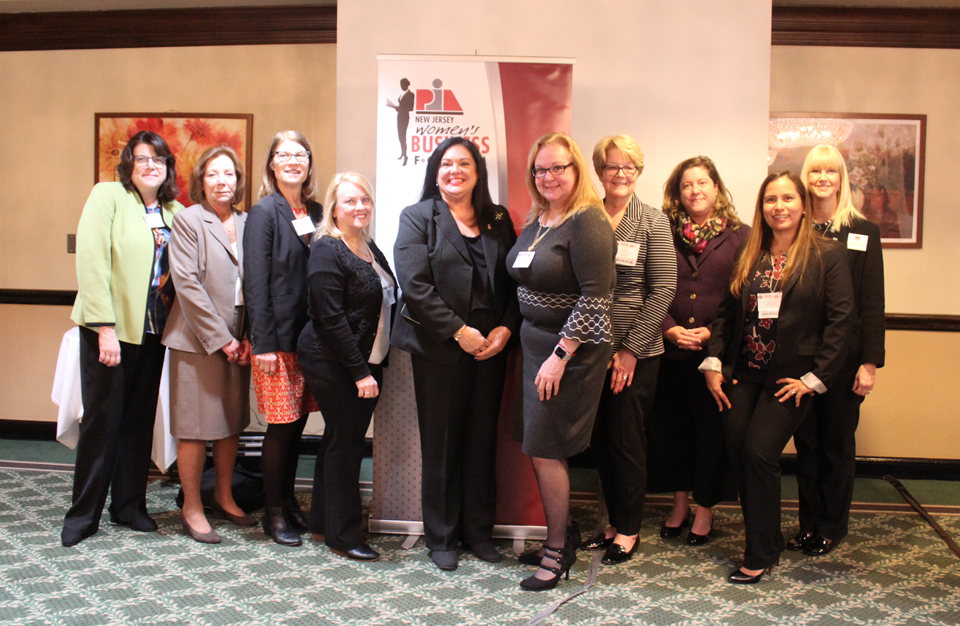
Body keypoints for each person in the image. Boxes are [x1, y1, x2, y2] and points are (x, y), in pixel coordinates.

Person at [701, 170, 854, 584]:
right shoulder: (751, 252)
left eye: (788, 198)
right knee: (740, 454)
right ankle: (767, 538)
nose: (779, 207)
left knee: (759, 452)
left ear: (803, 205)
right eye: (771, 200)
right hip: (744, 374)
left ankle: (760, 552)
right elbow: (726, 315)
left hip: (792, 379)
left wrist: (814, 379)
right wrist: (714, 364)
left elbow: (841, 323)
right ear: (762, 206)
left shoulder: (827, 254)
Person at [392, 137, 520, 571]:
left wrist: (505, 327)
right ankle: (442, 536)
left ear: (478, 171)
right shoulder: (417, 217)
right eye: (447, 163)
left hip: (493, 349)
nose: (455, 171)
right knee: (443, 445)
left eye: (464, 163)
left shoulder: (498, 218)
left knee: (483, 443)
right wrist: (459, 332)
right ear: (435, 170)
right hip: (440, 350)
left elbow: (516, 280)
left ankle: (479, 533)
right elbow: (414, 285)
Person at [62, 131, 184, 547]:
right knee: (102, 422)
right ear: (129, 164)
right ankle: (83, 514)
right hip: (110, 330)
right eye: (142, 158)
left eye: (159, 159)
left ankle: (129, 506)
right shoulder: (107, 196)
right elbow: (93, 260)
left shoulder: (174, 210)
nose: (151, 166)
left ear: (168, 167)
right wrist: (104, 328)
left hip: (153, 330)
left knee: (138, 423)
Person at [506, 132, 616, 590]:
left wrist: (559, 355)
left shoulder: (587, 220)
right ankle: (560, 534)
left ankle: (557, 551)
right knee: (537, 443)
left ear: (576, 172)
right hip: (535, 345)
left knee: (547, 447)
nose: (549, 176)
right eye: (541, 169)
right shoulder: (540, 217)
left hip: (569, 351)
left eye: (559, 168)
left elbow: (597, 297)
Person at [581, 135, 675, 565]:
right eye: (612, 166)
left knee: (626, 444)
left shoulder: (652, 221)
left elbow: (663, 290)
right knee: (601, 443)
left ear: (639, 172)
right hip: (591, 352)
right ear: (599, 172)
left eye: (629, 167)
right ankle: (612, 524)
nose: (621, 174)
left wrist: (631, 351)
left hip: (635, 355)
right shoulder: (587, 216)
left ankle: (630, 529)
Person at [646, 156, 749, 546]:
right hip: (668, 352)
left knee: (711, 435)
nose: (695, 191)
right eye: (687, 185)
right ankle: (678, 505)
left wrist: (713, 336)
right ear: (678, 192)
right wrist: (669, 329)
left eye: (703, 183)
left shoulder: (742, 235)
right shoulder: (661, 231)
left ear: (717, 188)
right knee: (671, 433)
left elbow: (742, 298)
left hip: (716, 355)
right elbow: (646, 284)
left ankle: (704, 509)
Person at [789, 145, 885, 557]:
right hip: (801, 357)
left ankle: (831, 527)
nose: (822, 178)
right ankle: (808, 524)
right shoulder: (795, 228)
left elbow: (872, 301)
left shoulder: (863, 230)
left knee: (836, 445)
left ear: (841, 177)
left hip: (846, 362)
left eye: (830, 171)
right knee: (806, 445)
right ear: (806, 178)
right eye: (815, 171)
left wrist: (870, 363)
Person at [298, 173, 395, 561]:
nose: (359, 207)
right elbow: (330, 318)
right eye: (350, 201)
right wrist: (359, 372)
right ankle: (344, 535)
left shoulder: (367, 246)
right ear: (334, 209)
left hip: (365, 358)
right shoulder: (327, 250)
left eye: (365, 200)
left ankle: (323, 523)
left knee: (338, 439)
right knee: (347, 445)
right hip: (334, 360)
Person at [162, 146, 256, 544]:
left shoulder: (249, 222)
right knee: (195, 427)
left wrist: (250, 336)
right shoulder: (187, 220)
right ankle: (192, 507)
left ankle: (223, 495)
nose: (223, 182)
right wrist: (222, 340)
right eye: (214, 174)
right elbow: (187, 286)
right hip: (197, 340)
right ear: (201, 180)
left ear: (238, 180)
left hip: (240, 336)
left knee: (230, 423)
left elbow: (259, 285)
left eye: (229, 174)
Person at [244, 131, 322, 546]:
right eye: (283, 154)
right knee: (279, 425)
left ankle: (289, 501)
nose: (292, 160)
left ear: (309, 163)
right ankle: (273, 514)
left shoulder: (315, 210)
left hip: (309, 339)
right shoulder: (264, 213)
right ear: (271, 164)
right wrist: (264, 343)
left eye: (300, 154)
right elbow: (256, 282)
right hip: (276, 342)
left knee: (297, 427)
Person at [386, 78, 414, 166]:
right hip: (400, 117)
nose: (401, 86)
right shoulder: (403, 94)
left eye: (402, 84)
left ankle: (405, 156)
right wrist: (396, 107)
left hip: (404, 118)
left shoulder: (411, 94)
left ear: (406, 84)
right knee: (400, 137)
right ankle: (403, 153)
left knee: (403, 137)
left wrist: (399, 108)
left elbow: (410, 108)